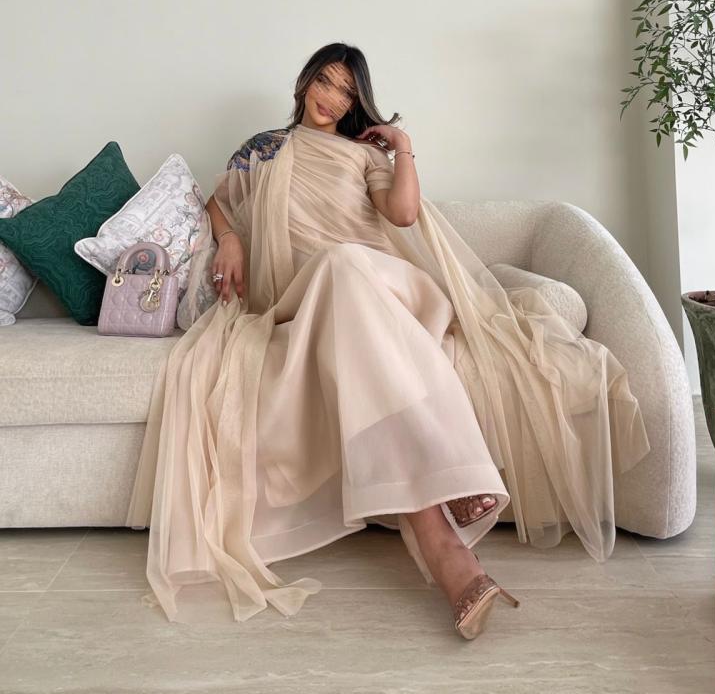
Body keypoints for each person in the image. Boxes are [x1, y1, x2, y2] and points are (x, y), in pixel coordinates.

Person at [125, 42, 651, 640]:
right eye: (325, 81)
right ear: (304, 81)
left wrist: (402, 147)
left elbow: (401, 215)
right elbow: (217, 202)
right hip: (307, 300)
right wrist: (230, 240)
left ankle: (442, 541)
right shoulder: (262, 149)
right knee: (336, 270)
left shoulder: (363, 154)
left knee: (346, 261)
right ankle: (450, 518)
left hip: (384, 290)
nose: (331, 98)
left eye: (346, 91)